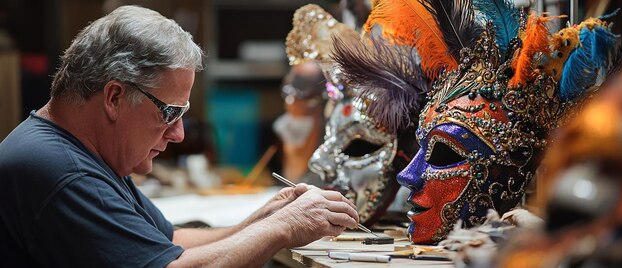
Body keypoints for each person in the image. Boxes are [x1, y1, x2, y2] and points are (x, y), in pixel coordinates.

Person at [0, 5, 359, 267]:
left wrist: (265, 217)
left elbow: (170, 242)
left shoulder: (84, 154)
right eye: (170, 112)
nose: (178, 134)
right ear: (114, 97)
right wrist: (286, 226)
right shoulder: (61, 172)